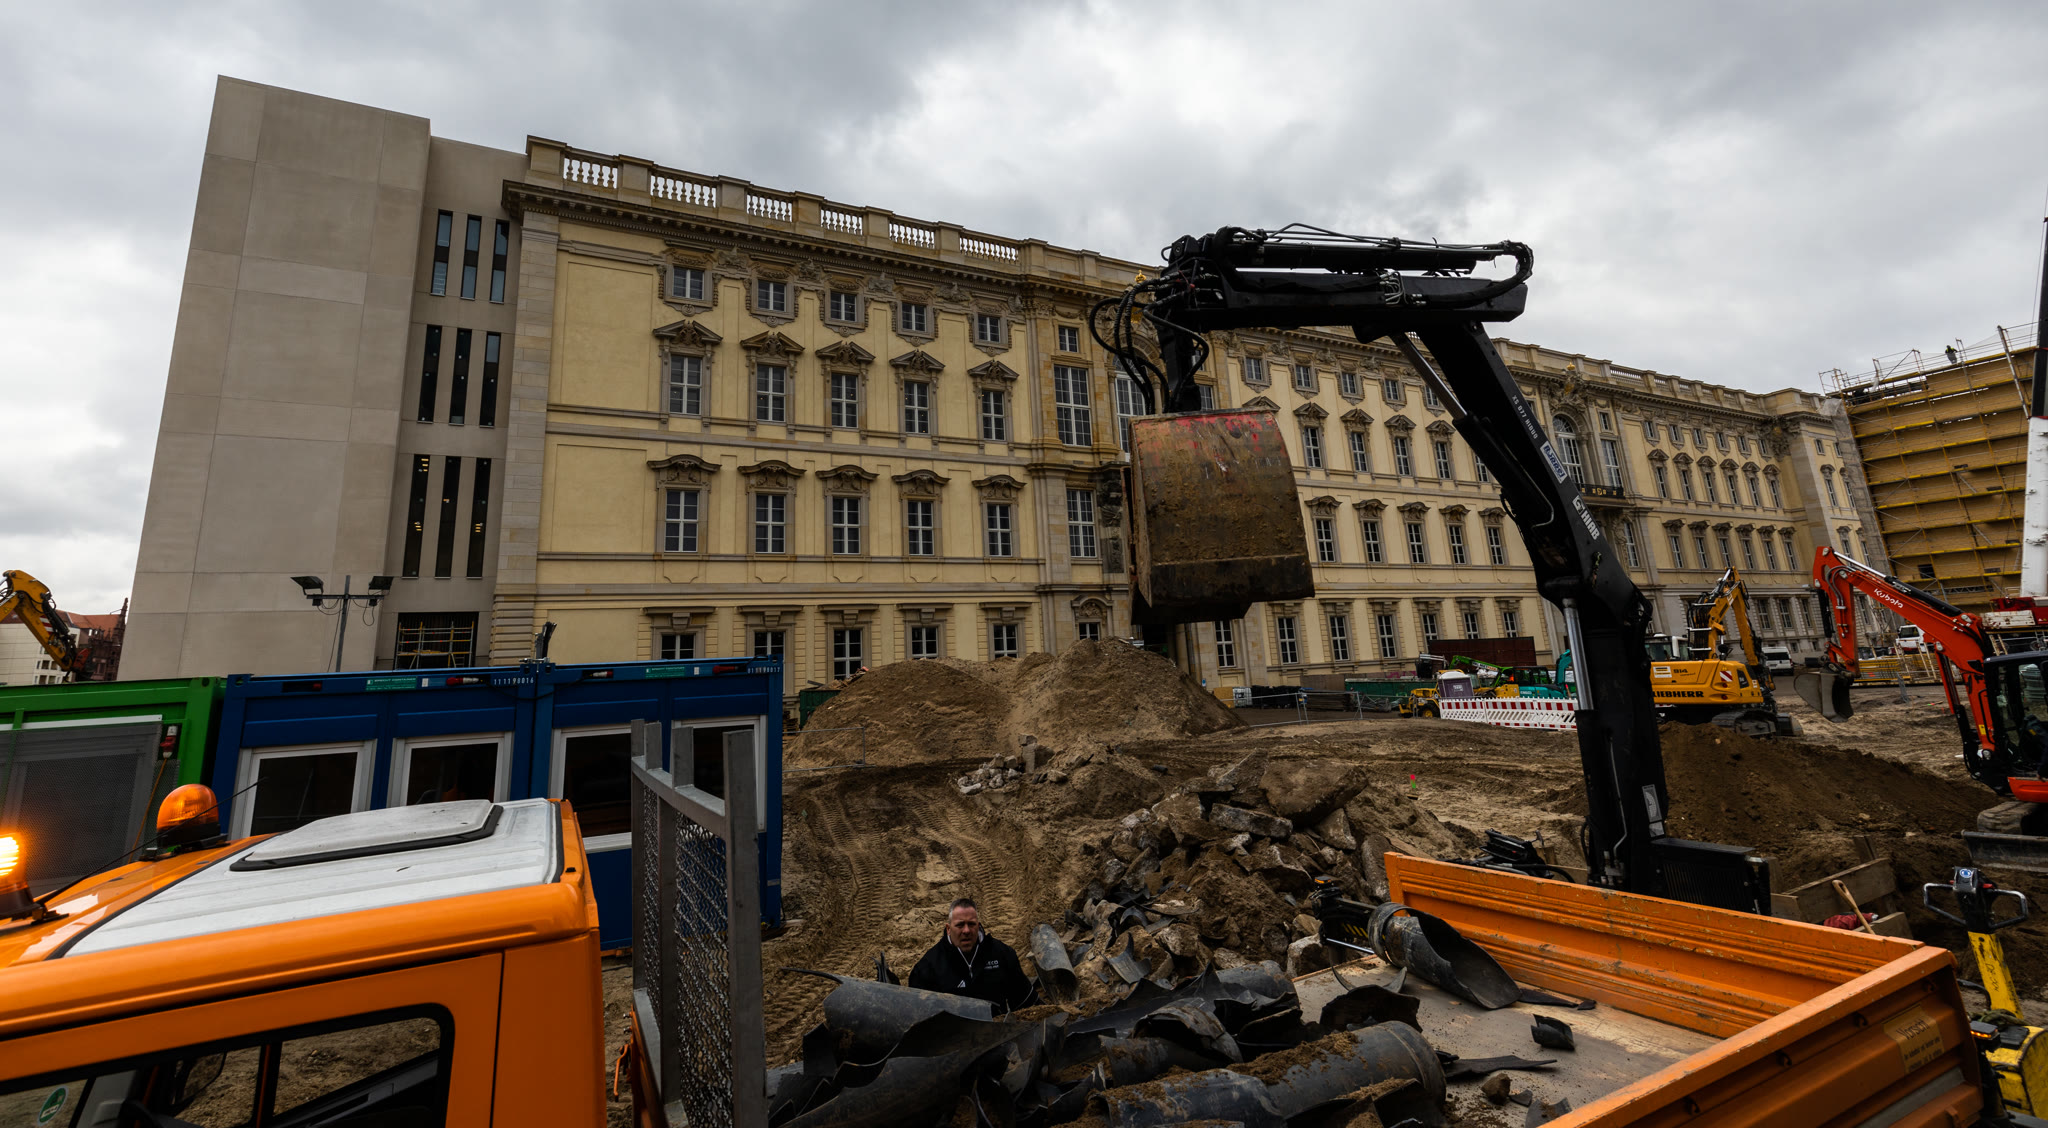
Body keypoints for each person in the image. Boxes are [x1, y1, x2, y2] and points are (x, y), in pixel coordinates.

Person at [907, 897, 1037, 1012]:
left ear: (978, 925)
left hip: (997, 1028)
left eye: (971, 924)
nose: (966, 930)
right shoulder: (928, 967)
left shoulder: (1002, 954)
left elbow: (1027, 1005)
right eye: (960, 925)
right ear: (948, 929)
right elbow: (918, 1015)